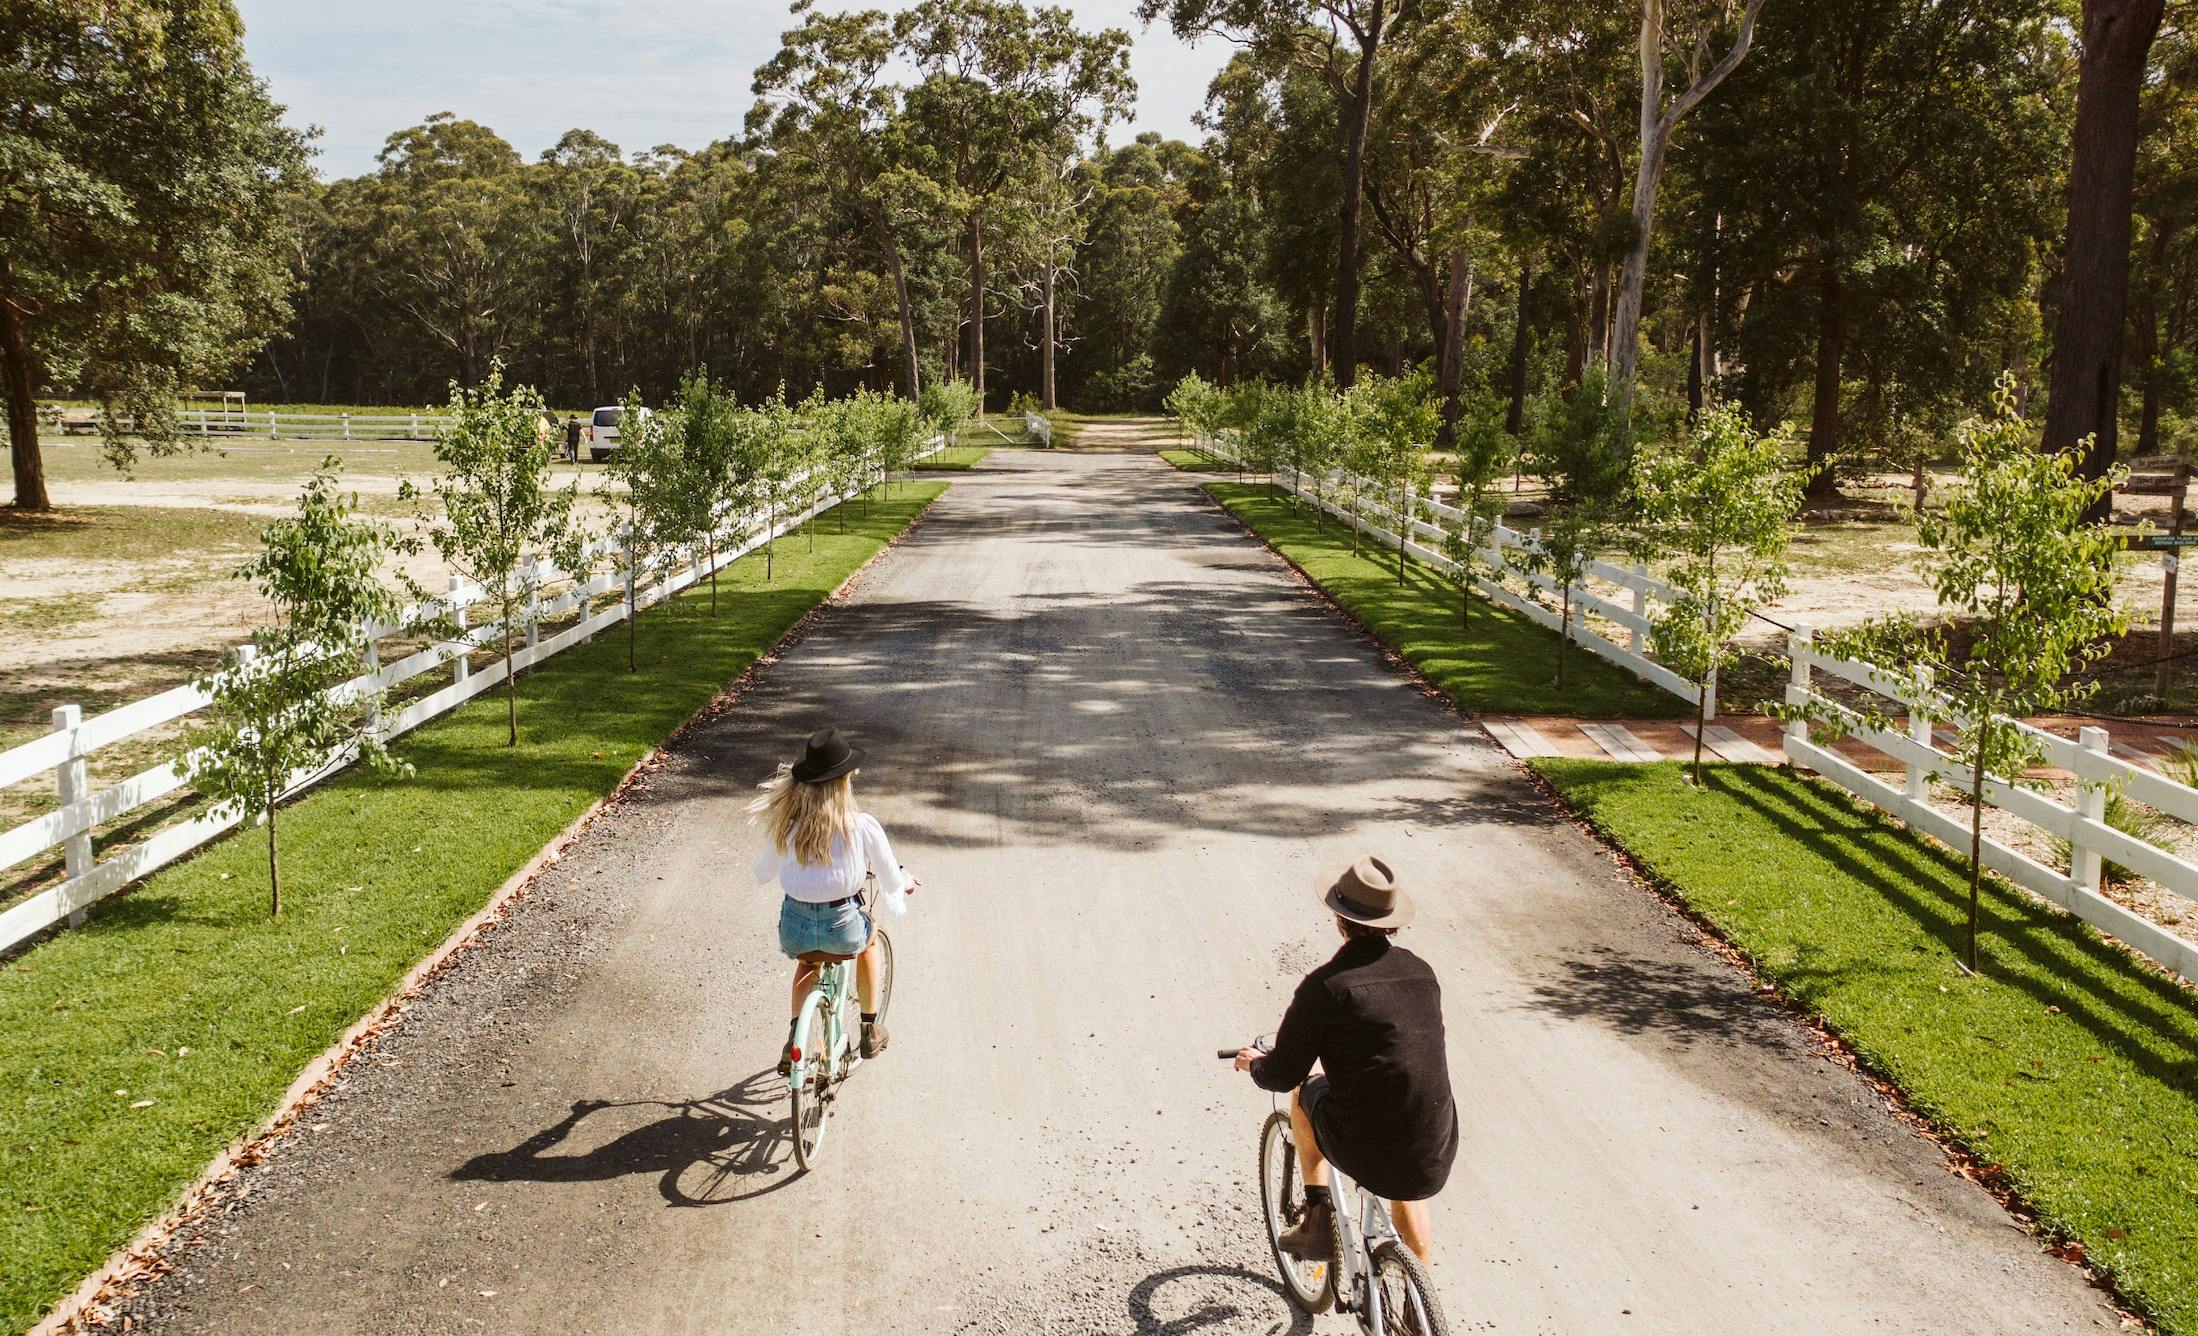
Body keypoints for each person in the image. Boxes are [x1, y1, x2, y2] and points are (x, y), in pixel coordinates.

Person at [1233, 856, 1457, 1264]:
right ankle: (1416, 1307)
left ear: (1340, 919)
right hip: (1432, 1137)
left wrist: (1254, 1064)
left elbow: (1284, 1073)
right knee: (1403, 1186)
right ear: (1392, 921)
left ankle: (1317, 1219)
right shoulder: (1422, 972)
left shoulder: (1327, 987)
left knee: (1304, 1091)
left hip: (1367, 1140)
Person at [749, 728, 914, 1069]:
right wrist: (904, 882)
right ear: (844, 782)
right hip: (843, 928)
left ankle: (794, 1038)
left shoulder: (788, 826)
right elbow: (888, 876)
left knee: (808, 964)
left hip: (795, 928)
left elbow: (763, 872)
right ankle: (869, 1030)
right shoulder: (861, 825)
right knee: (868, 942)